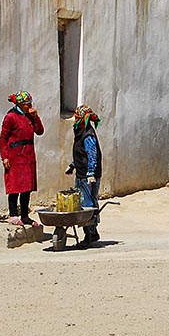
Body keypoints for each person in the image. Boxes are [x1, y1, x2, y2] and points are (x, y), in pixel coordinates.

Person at [0, 90, 44, 225]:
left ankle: (25, 215)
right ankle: (13, 214)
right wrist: (5, 157)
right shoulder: (11, 117)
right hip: (15, 155)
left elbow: (40, 131)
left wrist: (36, 117)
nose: (29, 106)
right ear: (19, 104)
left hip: (28, 155)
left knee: (27, 187)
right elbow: (3, 137)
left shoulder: (30, 116)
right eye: (26, 104)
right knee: (15, 186)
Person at [68, 104, 103, 247]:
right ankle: (92, 233)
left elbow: (92, 155)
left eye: (77, 116)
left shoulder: (88, 135)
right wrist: (72, 165)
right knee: (84, 203)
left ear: (84, 118)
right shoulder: (80, 131)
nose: (75, 118)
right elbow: (80, 153)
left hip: (88, 176)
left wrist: (90, 173)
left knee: (87, 205)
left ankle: (89, 235)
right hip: (81, 173)